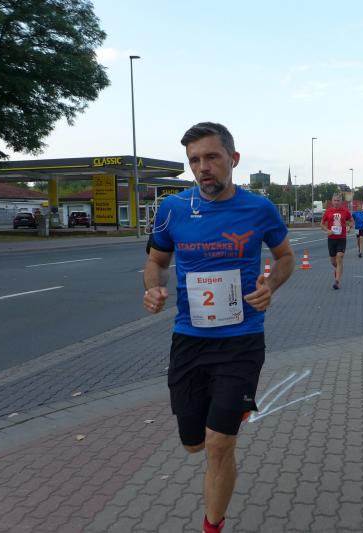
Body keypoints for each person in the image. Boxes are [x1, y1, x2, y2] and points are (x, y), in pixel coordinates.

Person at [143, 122, 295, 533]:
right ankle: (224, 413)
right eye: (194, 160)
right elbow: (156, 262)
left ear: (233, 159)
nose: (203, 167)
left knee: (218, 444)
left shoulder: (260, 208)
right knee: (194, 444)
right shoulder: (172, 209)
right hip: (189, 340)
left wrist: (269, 286)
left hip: (241, 340)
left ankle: (212, 525)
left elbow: (284, 258)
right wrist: (153, 289)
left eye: (211, 157)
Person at [321, 193, 353, 289]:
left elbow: (351, 221)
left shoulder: (345, 211)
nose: (336, 202)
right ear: (332, 201)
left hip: (341, 238)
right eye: (335, 200)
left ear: (341, 201)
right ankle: (339, 269)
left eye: (338, 201)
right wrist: (327, 230)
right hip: (331, 239)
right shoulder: (328, 211)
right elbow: (322, 224)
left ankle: (337, 281)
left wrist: (349, 227)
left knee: (340, 257)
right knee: (333, 262)